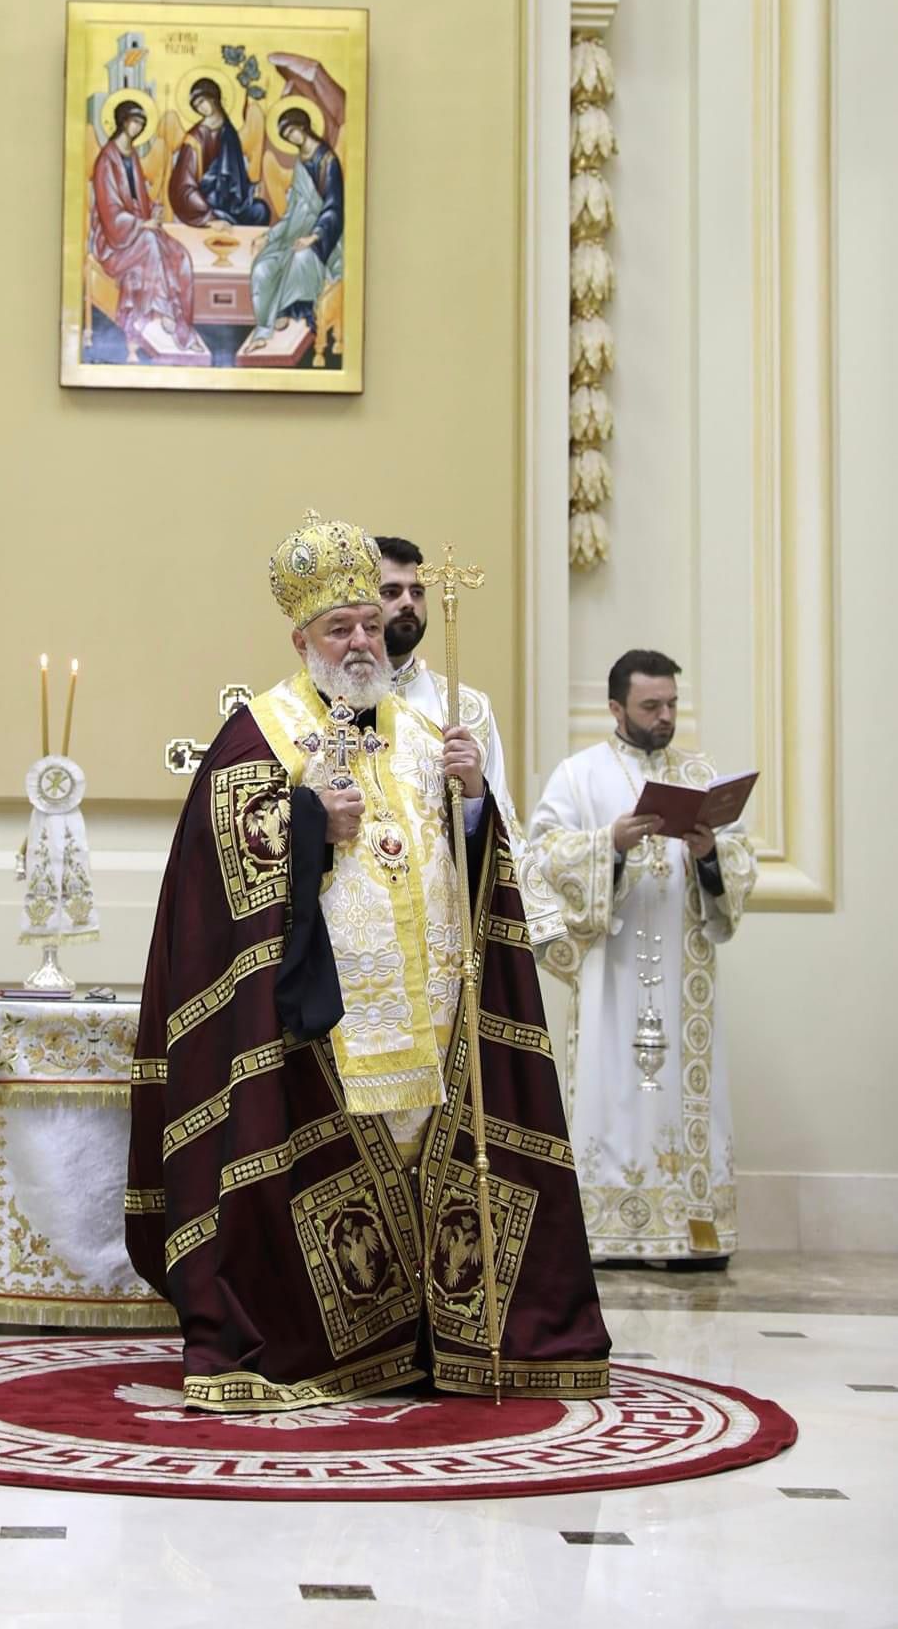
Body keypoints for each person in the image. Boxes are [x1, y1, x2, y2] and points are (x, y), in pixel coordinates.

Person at [126, 512, 609, 1411]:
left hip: (434, 1023)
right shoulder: (261, 732)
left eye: (369, 625)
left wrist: (473, 803)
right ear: (300, 640)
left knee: (434, 1169)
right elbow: (213, 866)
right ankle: (327, 1346)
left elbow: (474, 865)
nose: (360, 641)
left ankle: (433, 1339)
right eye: (338, 628)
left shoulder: (427, 733)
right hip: (319, 1033)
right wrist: (309, 822)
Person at [527, 649, 756, 1267]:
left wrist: (709, 854)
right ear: (616, 708)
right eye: (651, 705)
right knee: (609, 1092)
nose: (665, 717)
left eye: (672, 704)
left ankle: (692, 1231)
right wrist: (610, 844)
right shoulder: (578, 776)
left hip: (684, 978)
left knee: (683, 1093)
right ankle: (606, 1234)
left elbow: (739, 861)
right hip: (612, 974)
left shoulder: (701, 775)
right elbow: (540, 858)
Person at [375, 533, 567, 960]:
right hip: (363, 935)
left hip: (445, 934)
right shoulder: (332, 702)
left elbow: (501, 827)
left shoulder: (468, 708)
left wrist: (475, 794)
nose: (407, 603)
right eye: (391, 592)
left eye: (417, 592)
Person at [90, 100, 201, 355]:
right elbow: (110, 211)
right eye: (134, 122)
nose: (138, 127)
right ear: (122, 122)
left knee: (179, 255)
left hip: (137, 229)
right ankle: (168, 315)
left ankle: (178, 319)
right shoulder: (107, 160)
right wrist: (141, 224)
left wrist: (153, 209)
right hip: (114, 239)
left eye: (141, 123)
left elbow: (137, 197)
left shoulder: (131, 154)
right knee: (151, 243)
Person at [247, 108, 344, 344]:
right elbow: (292, 212)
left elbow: (334, 207)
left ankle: (290, 310)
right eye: (286, 135)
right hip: (296, 230)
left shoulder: (328, 161)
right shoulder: (301, 163)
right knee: (263, 265)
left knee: (301, 258)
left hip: (325, 234)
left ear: (303, 126)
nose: (290, 137)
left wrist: (314, 236)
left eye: (291, 131)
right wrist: (269, 236)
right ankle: (265, 322)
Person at [169, 77, 270, 227]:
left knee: (260, 210)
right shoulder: (194, 139)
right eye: (196, 106)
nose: (201, 108)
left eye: (202, 101)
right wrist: (208, 214)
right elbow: (183, 186)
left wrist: (250, 189)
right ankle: (218, 219)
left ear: (213, 97)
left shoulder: (229, 131)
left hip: (232, 201)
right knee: (224, 217)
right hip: (207, 202)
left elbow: (238, 174)